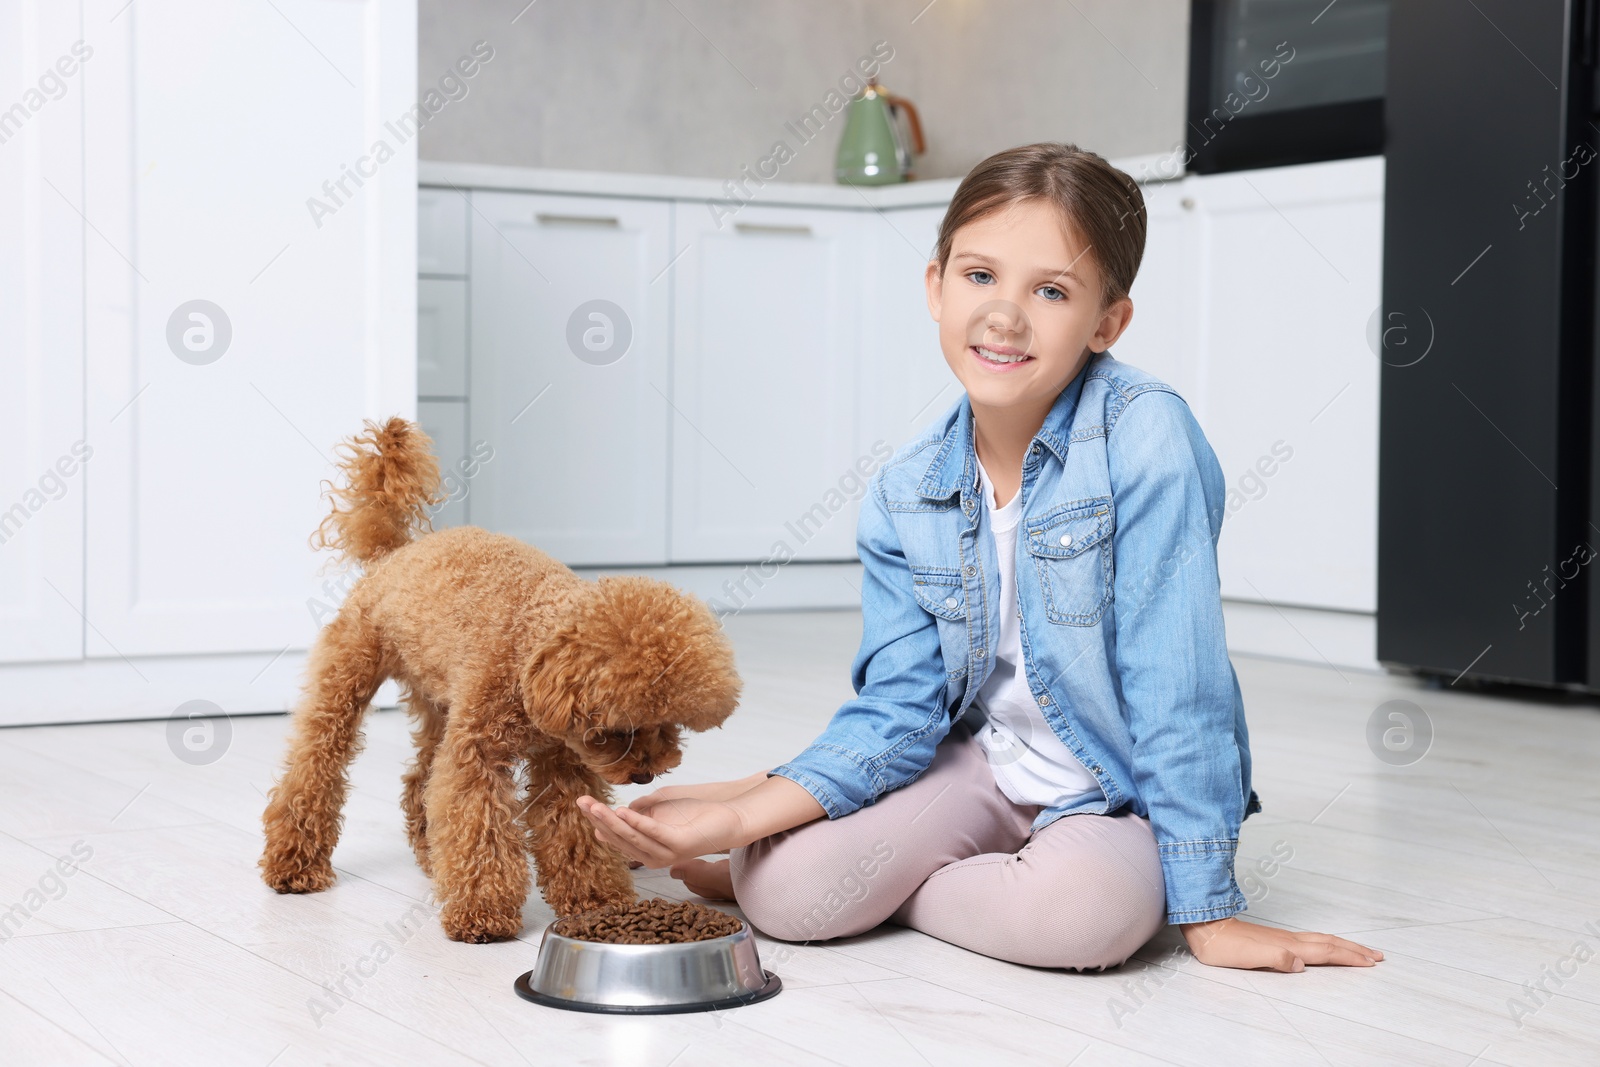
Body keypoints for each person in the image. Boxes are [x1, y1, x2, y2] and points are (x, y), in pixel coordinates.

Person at [577, 142, 1383, 974]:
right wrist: (744, 821)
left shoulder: (1148, 438)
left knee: (1082, 920)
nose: (1004, 315)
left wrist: (1208, 913)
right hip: (980, 764)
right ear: (936, 286)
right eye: (979, 276)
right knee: (787, 898)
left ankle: (870, 864)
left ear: (1108, 322)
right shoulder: (905, 490)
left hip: (1111, 797)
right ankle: (792, 822)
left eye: (1052, 290)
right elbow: (901, 707)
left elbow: (1181, 689)